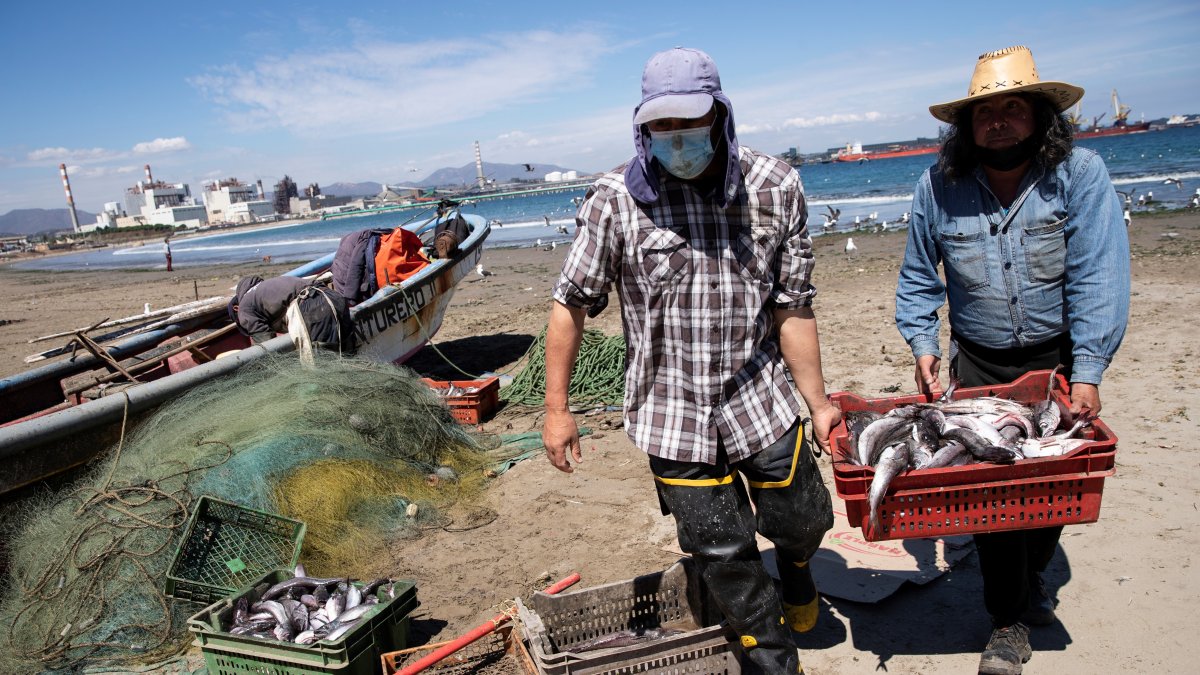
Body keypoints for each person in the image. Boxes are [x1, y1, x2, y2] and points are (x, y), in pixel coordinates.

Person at [541, 47, 839, 675]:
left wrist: (819, 403)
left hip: (762, 398)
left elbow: (793, 306)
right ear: (642, 127)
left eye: (690, 122)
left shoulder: (775, 186)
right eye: (661, 126)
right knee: (722, 553)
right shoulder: (613, 201)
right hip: (670, 413)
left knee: (804, 518)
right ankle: (775, 661)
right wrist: (557, 409)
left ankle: (797, 565)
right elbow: (570, 305)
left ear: (720, 116)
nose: (676, 139)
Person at [895, 46, 1130, 675]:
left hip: (1056, 362)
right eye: (985, 112)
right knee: (992, 499)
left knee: (1051, 492)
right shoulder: (936, 187)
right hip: (978, 365)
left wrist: (1088, 371)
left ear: (1042, 117)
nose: (998, 121)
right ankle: (1007, 621)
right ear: (966, 126)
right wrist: (924, 346)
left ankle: (1033, 577)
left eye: (1014, 108)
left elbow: (1099, 276)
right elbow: (918, 279)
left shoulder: (1079, 176)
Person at [228, 275, 314, 343]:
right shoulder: (265, 288)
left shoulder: (244, 307)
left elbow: (266, 343)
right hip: (317, 290)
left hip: (307, 305)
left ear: (236, 308)